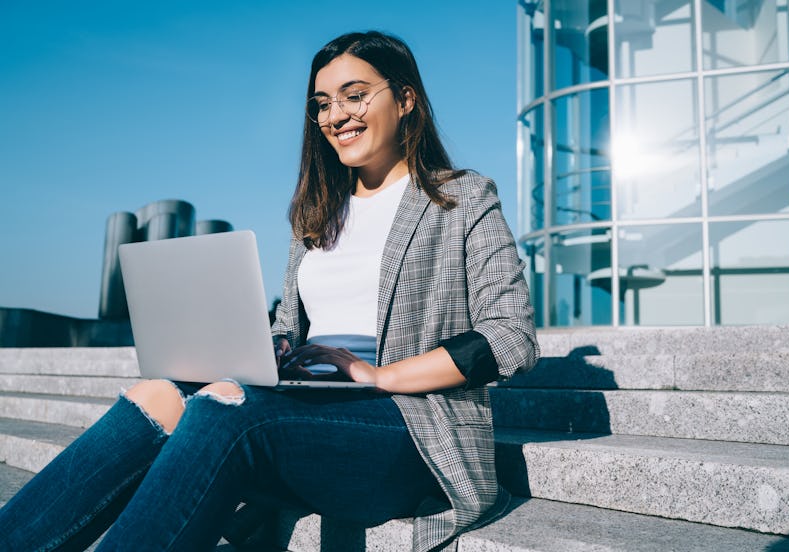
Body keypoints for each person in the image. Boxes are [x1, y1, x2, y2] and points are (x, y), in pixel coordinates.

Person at [0, 30, 538, 552]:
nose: (336, 115)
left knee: (222, 412)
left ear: (405, 100)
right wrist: (264, 349)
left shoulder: (461, 197)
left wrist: (380, 375)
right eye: (322, 103)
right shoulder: (315, 215)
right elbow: (288, 328)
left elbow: (511, 337)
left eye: (355, 96)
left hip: (412, 428)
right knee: (158, 394)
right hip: (304, 403)